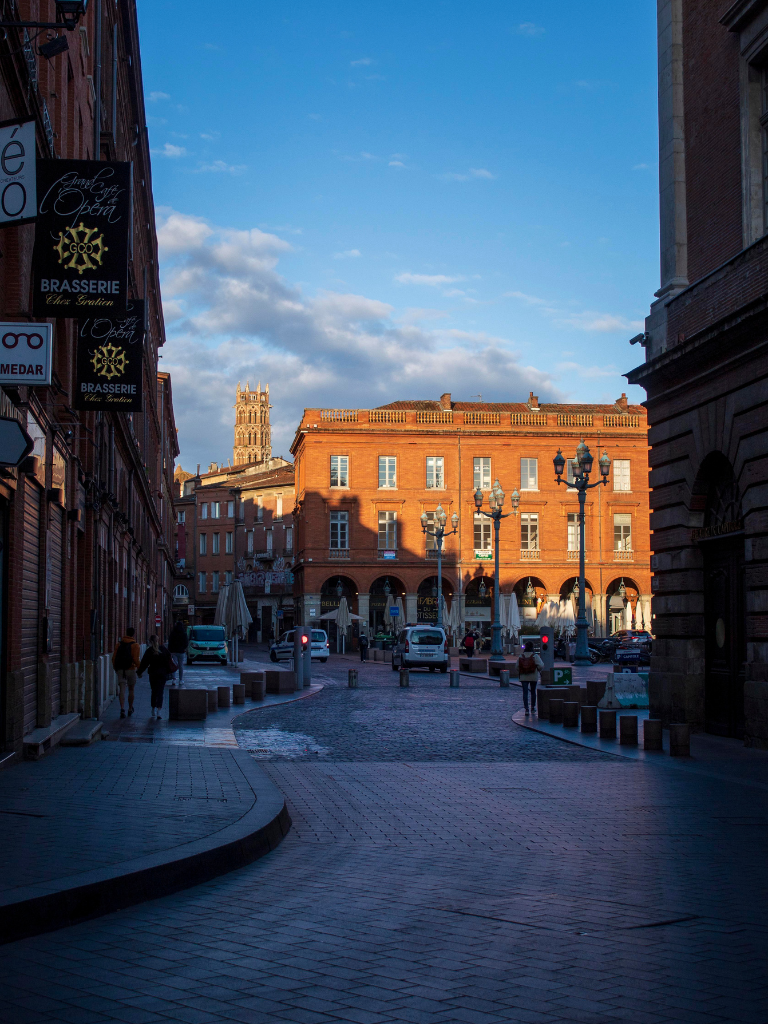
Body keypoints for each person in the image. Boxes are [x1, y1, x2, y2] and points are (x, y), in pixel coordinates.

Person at [138, 635, 175, 719]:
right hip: (162, 673)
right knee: (160, 691)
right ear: (158, 640)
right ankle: (159, 711)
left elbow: (144, 662)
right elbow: (169, 658)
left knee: (154, 691)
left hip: (153, 673)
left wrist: (139, 672)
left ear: (150, 641)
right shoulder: (163, 649)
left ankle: (153, 708)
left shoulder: (149, 651)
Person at [112, 627, 140, 719]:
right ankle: (130, 708)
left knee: (122, 689)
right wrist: (139, 669)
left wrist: (116, 668)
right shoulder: (135, 645)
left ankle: (122, 708)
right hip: (131, 669)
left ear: (126, 633)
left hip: (121, 669)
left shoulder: (119, 644)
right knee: (131, 689)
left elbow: (114, 658)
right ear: (133, 634)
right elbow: (136, 659)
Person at [518, 640, 544, 716]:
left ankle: (526, 709)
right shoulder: (534, 656)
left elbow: (517, 667)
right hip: (533, 676)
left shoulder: (521, 656)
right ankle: (533, 707)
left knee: (525, 693)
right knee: (533, 692)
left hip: (523, 676)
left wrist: (522, 671)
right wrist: (537, 669)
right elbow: (541, 665)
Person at [167, 620, 189, 685]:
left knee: (174, 665)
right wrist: (183, 648)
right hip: (181, 651)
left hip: (173, 651)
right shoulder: (184, 633)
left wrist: (170, 650)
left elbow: (170, 642)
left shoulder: (173, 633)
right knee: (181, 666)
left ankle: (174, 679)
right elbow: (186, 643)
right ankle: (181, 680)